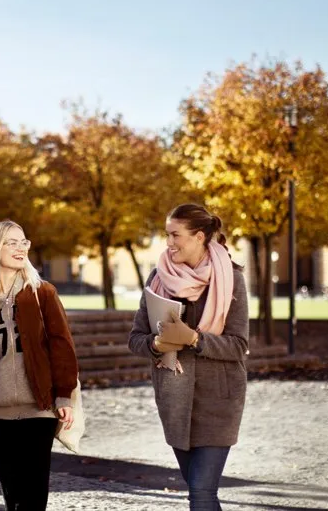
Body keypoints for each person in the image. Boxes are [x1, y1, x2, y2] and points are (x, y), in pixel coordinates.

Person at [128, 203, 249, 511]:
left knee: (202, 494)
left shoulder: (231, 278)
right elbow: (135, 339)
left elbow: (238, 345)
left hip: (218, 402)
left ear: (199, 236)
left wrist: (193, 339)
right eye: (167, 235)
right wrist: (157, 343)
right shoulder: (159, 277)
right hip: (174, 400)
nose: (169, 243)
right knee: (200, 492)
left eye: (175, 235)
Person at [0, 220, 79, 511]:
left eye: (23, 242)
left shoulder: (42, 293)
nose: (20, 248)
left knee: (33, 494)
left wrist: (64, 394)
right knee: (12, 494)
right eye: (12, 242)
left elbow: (62, 346)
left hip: (40, 406)